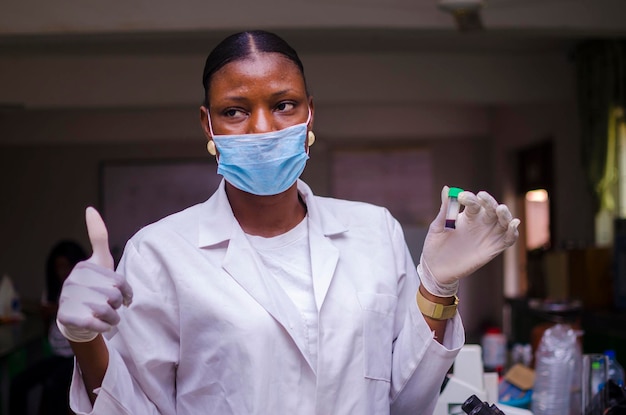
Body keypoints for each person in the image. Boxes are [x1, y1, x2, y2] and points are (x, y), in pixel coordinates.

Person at [56, 30, 520, 415]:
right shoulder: (160, 252)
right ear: (208, 125)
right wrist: (86, 341)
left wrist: (437, 288)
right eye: (235, 111)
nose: (263, 127)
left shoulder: (373, 231)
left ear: (309, 113)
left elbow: (406, 401)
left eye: (284, 105)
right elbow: (130, 409)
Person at [10, 240, 87, 415]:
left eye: (66, 266)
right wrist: (46, 317)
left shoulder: (84, 288)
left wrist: (59, 309)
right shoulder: (52, 292)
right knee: (19, 382)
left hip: (77, 356)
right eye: (58, 267)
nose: (62, 272)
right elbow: (48, 336)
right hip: (58, 355)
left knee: (53, 385)